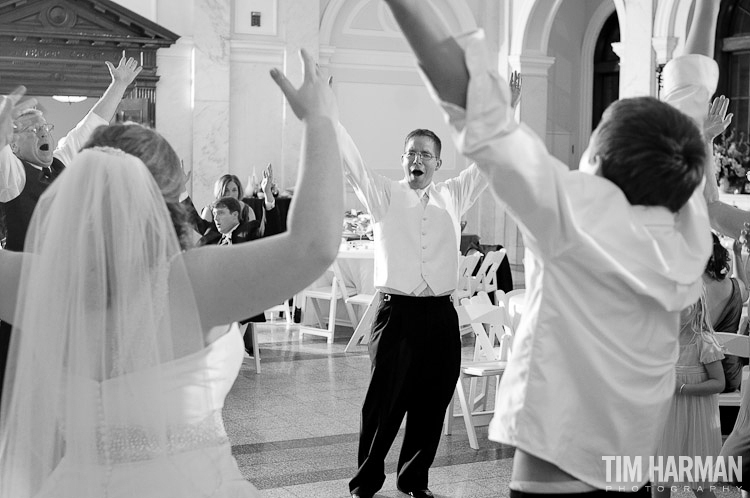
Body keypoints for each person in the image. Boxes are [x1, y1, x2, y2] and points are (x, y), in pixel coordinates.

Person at [381, 0, 712, 493]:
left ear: (598, 158)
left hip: (556, 478)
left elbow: (467, 98)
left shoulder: (572, 216)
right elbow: (691, 93)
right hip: (633, 472)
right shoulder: (686, 222)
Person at [0, 47, 344, 498]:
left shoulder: (41, 282)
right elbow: (313, 245)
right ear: (173, 194)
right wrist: (320, 122)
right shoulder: (190, 282)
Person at [341, 79, 520, 496]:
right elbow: (351, 163)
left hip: (440, 314)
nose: (416, 160)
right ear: (401, 160)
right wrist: (327, 114)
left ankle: (413, 480)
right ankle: (366, 480)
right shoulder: (383, 193)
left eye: (425, 154)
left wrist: (505, 112)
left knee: (432, 401)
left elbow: (491, 158)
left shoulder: (453, 194)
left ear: (439, 163)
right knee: (383, 404)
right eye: (410, 153)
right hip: (396, 313)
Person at [0, 56, 142, 406]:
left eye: (45, 128)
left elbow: (90, 126)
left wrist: (118, 86)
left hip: (65, 295)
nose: (44, 133)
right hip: (22, 298)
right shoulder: (13, 178)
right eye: (32, 130)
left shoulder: (61, 161)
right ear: (14, 144)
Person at [653, 290, 726, 497]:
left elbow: (719, 383)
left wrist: (683, 388)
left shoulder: (704, 341)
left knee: (699, 482)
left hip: (696, 419)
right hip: (667, 417)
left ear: (697, 307)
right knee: (661, 480)